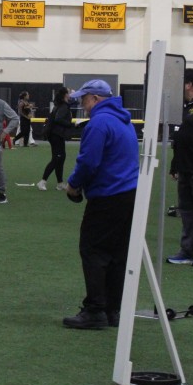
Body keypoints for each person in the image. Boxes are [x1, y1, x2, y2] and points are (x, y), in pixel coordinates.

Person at [63, 79, 139, 329]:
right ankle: (112, 310)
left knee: (93, 250)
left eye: (84, 99)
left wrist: (73, 184)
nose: (83, 105)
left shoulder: (99, 123)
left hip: (107, 196)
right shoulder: (124, 120)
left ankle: (95, 310)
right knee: (117, 254)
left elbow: (88, 162)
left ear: (95, 98)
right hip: (128, 195)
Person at [167, 70, 193, 264]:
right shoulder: (183, 108)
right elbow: (180, 139)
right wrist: (174, 165)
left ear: (189, 84)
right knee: (186, 212)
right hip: (185, 168)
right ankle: (186, 251)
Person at [37, 86, 73, 191]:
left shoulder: (60, 105)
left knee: (61, 157)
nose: (70, 94)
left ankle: (60, 183)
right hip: (55, 135)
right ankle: (42, 181)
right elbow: (58, 119)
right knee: (57, 158)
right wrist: (70, 124)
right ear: (65, 95)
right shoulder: (63, 106)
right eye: (69, 92)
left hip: (57, 135)